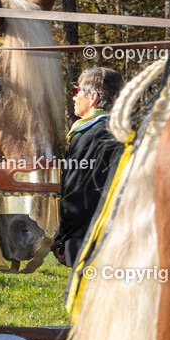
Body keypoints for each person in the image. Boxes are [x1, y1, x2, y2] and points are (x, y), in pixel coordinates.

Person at [52, 67, 125, 267]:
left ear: (92, 98)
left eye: (77, 91)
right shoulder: (123, 133)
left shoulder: (90, 137)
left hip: (86, 239)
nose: (74, 97)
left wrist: (63, 236)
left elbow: (75, 195)